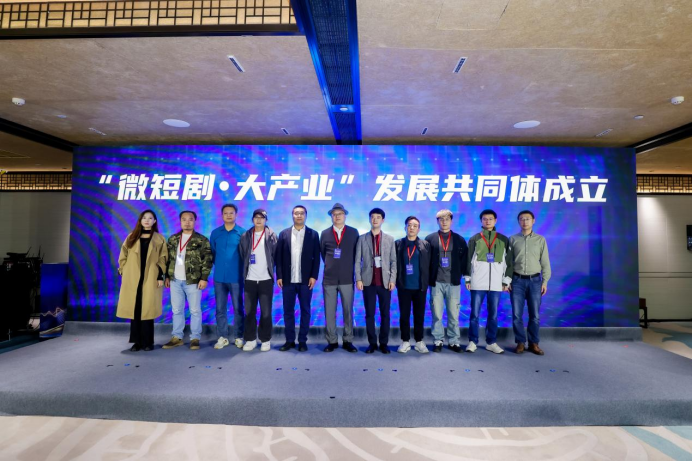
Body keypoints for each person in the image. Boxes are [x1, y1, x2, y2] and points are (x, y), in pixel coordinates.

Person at [117, 210, 167, 352]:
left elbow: (163, 258)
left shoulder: (159, 239)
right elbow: (123, 256)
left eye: (150, 218)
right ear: (140, 220)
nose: (147, 220)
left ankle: (148, 342)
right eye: (144, 218)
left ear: (154, 221)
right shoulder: (131, 237)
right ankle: (136, 342)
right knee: (135, 309)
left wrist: (160, 276)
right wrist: (123, 270)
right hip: (132, 278)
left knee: (148, 310)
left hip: (150, 277)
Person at [465, 209, 513, 355]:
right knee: (474, 314)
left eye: (490, 219)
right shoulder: (474, 239)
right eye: (485, 219)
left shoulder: (504, 239)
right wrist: (468, 278)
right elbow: (468, 259)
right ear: (481, 221)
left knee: (493, 315)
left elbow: (509, 262)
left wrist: (506, 281)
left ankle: (491, 342)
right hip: (478, 282)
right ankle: (473, 341)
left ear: (495, 220)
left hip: (496, 283)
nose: (488, 221)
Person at [163, 211, 213, 351]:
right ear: (180, 221)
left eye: (190, 219)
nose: (187, 222)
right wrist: (167, 276)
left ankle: (195, 338)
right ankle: (177, 337)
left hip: (193, 281)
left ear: (194, 221)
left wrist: (204, 278)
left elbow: (207, 260)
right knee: (177, 310)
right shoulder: (173, 239)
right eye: (184, 219)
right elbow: (167, 259)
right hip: (175, 280)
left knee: (195, 310)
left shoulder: (201, 240)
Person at [276, 205, 321, 352]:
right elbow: (279, 258)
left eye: (302, 213)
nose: (299, 215)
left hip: (305, 280)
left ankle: (302, 341)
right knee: (288, 311)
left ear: (306, 215)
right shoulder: (283, 234)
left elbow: (316, 258)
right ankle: (289, 340)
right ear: (292, 215)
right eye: (296, 213)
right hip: (287, 280)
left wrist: (314, 276)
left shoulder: (313, 234)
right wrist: (279, 276)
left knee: (305, 310)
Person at [508, 210, 552, 356]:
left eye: (527, 219)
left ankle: (534, 343)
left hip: (535, 281)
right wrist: (507, 281)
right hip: (517, 281)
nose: (524, 221)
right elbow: (508, 263)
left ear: (533, 221)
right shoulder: (513, 239)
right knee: (517, 315)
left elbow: (545, 262)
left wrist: (545, 282)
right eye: (521, 219)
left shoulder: (540, 240)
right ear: (518, 222)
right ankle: (520, 342)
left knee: (535, 315)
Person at [426, 210, 468, 353]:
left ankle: (454, 341)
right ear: (437, 221)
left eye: (447, 219)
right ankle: (438, 340)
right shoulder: (430, 239)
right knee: (437, 314)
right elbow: (425, 261)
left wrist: (465, 276)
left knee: (453, 314)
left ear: (451, 221)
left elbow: (464, 260)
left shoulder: (459, 239)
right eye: (441, 219)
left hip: (453, 283)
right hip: (436, 282)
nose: (444, 222)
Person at [356, 208, 397, 354]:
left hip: (385, 282)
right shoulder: (362, 239)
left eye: (378, 217)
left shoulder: (389, 239)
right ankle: (372, 343)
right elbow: (357, 261)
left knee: (385, 314)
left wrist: (392, 279)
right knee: (369, 314)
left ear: (383, 220)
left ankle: (384, 343)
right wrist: (358, 279)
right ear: (369, 219)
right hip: (368, 282)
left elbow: (393, 261)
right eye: (372, 217)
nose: (375, 219)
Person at [320, 203, 360, 353]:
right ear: (331, 216)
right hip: (329, 279)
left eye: (340, 214)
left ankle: (348, 340)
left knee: (348, 311)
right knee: (329, 312)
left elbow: (357, 255)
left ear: (345, 216)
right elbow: (323, 254)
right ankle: (332, 341)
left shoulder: (353, 232)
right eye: (334, 214)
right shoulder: (325, 233)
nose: (337, 217)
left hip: (347, 278)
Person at [239, 209, 278, 352]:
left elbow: (275, 255)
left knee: (266, 312)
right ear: (252, 219)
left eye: (262, 217)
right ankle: (250, 339)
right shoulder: (245, 236)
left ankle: (265, 339)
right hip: (250, 279)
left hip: (265, 279)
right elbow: (243, 254)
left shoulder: (272, 236)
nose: (259, 220)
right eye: (256, 217)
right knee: (249, 312)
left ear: (266, 220)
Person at [210, 204, 246, 350]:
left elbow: (245, 254)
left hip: (236, 277)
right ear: (222, 215)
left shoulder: (242, 233)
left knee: (238, 308)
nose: (229, 215)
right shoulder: (216, 233)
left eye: (231, 213)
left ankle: (238, 336)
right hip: (219, 277)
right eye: (226, 213)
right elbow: (213, 253)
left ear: (236, 215)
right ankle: (222, 337)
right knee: (220, 308)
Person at [395, 216, 431, 354]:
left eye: (415, 226)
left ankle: (419, 341)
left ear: (419, 229)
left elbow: (429, 265)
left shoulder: (425, 245)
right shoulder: (398, 244)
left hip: (420, 287)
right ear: (405, 227)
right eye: (409, 225)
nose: (412, 228)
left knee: (419, 315)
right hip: (404, 286)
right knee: (404, 315)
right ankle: (405, 341)